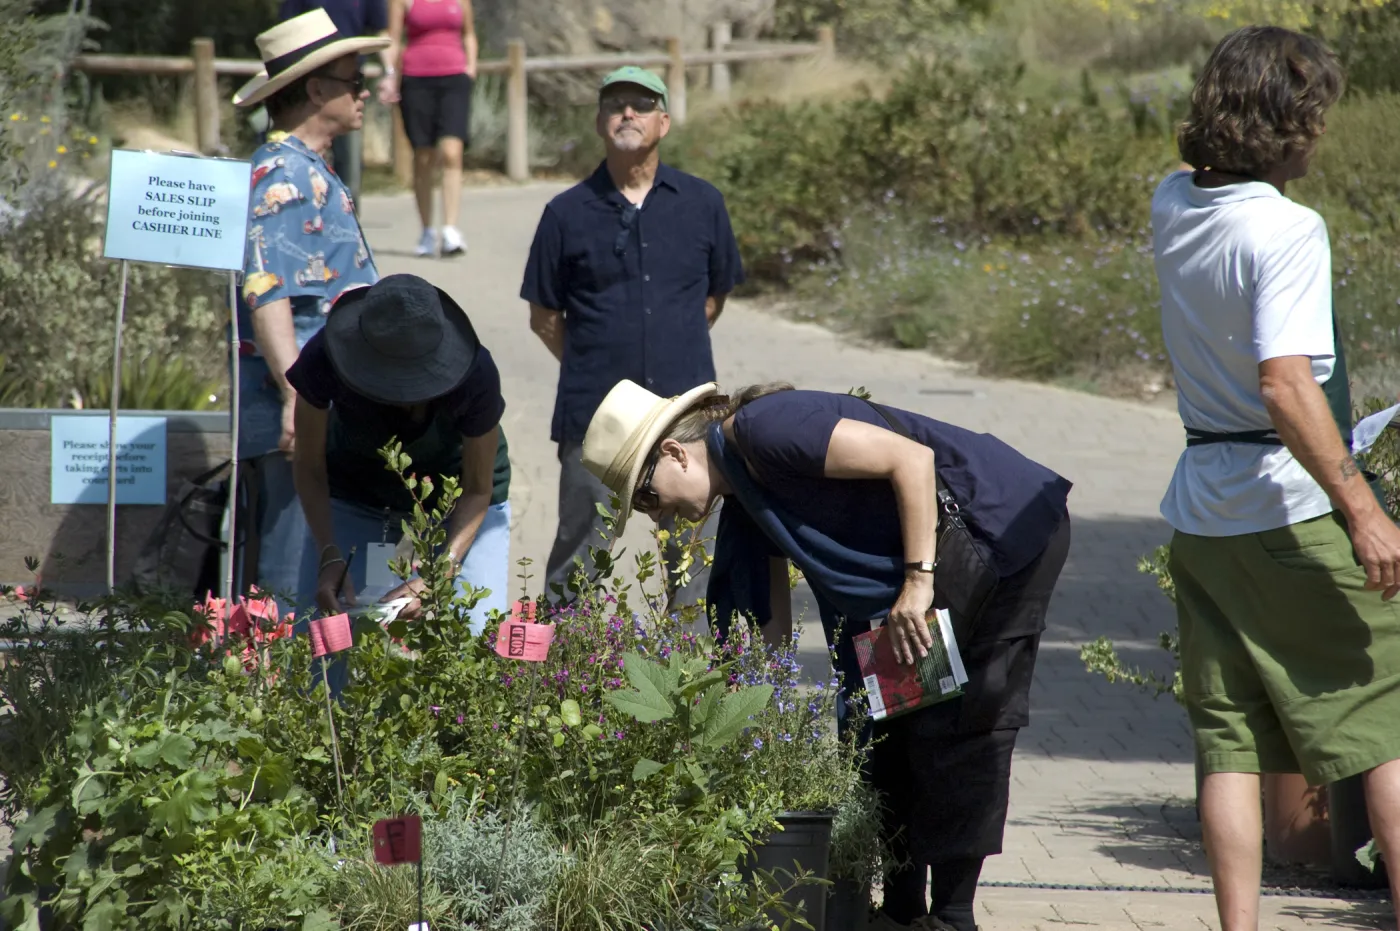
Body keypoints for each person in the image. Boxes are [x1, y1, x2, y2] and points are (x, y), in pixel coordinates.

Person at [581, 380, 1073, 931]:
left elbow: (913, 460)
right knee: (889, 720)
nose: (655, 514)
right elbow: (771, 635)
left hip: (995, 532)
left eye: (645, 496)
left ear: (674, 453)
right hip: (932, 556)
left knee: (961, 721)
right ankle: (902, 910)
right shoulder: (745, 499)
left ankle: (953, 917)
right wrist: (751, 722)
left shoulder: (767, 430)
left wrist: (916, 584)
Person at [1152, 26, 1400, 931]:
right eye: (1319, 113)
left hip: (1203, 509)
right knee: (1390, 720)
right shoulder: (1289, 229)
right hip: (1286, 504)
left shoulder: (1170, 201)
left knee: (1228, 747)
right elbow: (1286, 383)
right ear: (1291, 121)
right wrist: (1364, 508)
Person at [522, 66, 744, 604]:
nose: (627, 113)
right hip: (597, 416)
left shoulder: (702, 203)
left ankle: (690, 683)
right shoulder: (565, 213)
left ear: (663, 122)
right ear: (599, 122)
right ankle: (546, 681)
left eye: (641, 105)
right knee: (578, 563)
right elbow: (544, 316)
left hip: (687, 417)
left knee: (695, 564)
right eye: (615, 104)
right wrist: (596, 365)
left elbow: (712, 299)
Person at [231, 10, 385, 607]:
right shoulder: (284, 174)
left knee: (321, 563)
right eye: (353, 79)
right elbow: (268, 292)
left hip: (320, 404)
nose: (365, 90)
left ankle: (309, 689)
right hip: (300, 411)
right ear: (316, 89)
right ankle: (276, 693)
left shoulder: (305, 169)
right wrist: (298, 397)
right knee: (291, 574)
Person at [287, 273, 512, 636]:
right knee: (326, 638)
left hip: (459, 508)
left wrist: (441, 571)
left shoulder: (476, 375)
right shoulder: (323, 358)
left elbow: (476, 490)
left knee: (476, 635)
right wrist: (328, 551)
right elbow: (308, 465)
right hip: (354, 497)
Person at [378, 0, 478, 257]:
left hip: (454, 79)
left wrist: (471, 68)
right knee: (423, 155)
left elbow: (468, 33)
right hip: (417, 80)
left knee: (452, 152)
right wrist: (390, 75)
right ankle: (426, 230)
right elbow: (393, 38)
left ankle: (450, 229)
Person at [277, 0, 392, 205]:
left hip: (339, 80)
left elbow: (381, 29)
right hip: (312, 80)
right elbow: (286, 31)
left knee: (349, 175)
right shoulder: (275, 179)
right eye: (358, 84)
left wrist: (390, 72)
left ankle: (347, 215)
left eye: (361, 83)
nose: (365, 93)